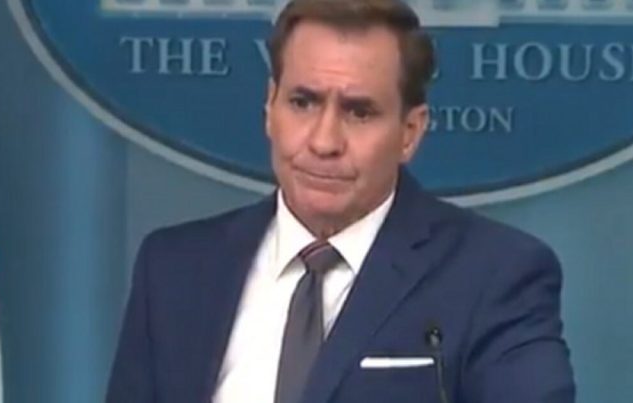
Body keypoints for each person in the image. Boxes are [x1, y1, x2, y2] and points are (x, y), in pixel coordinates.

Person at [106, 0, 575, 402]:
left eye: (359, 112)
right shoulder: (174, 269)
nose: (324, 141)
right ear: (269, 107)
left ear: (410, 132)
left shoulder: (495, 276)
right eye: (303, 103)